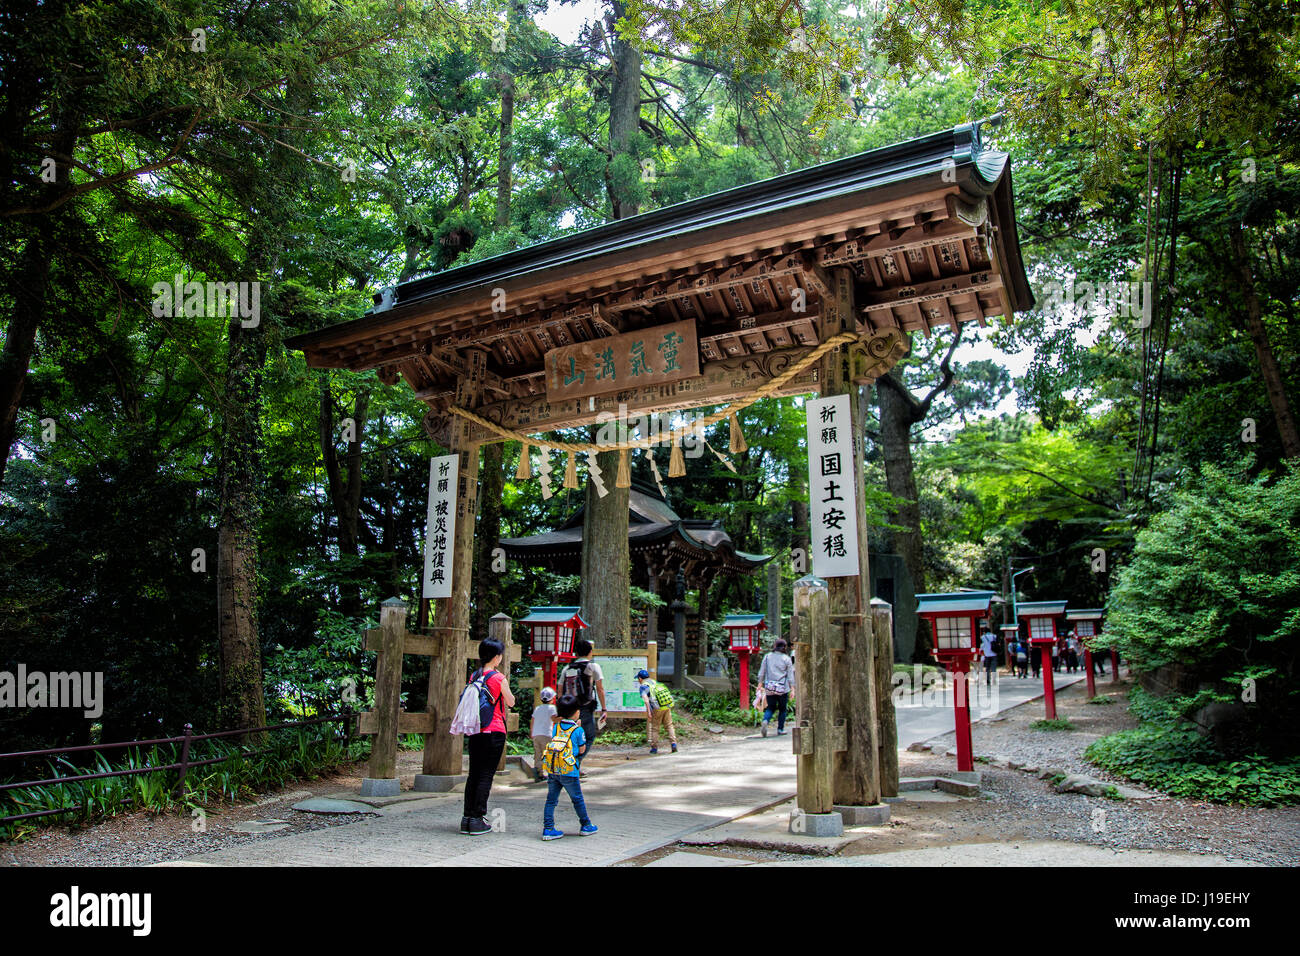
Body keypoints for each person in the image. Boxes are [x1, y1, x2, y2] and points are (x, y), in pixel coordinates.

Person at [461, 637, 515, 836]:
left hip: (476, 729)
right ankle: (477, 819)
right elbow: (510, 702)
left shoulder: (474, 676)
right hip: (494, 730)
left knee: (474, 774)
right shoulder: (498, 678)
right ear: (497, 657)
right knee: (485, 775)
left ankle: (467, 818)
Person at [541, 694, 597, 841]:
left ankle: (548, 828)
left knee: (551, 800)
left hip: (554, 769)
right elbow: (582, 750)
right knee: (577, 799)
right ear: (577, 712)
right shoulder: (578, 730)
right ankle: (586, 825)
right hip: (569, 770)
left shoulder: (556, 727)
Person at [559, 639, 606, 777]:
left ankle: (571, 764)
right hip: (585, 707)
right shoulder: (593, 667)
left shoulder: (567, 668)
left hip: (568, 708)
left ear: (576, 653)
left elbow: (560, 689)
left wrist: (561, 709)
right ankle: (573, 763)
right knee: (589, 736)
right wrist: (604, 708)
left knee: (570, 736)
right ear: (590, 652)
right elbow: (600, 689)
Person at [757, 638, 796, 737]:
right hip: (782, 688)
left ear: (775, 646)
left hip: (770, 687)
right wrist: (793, 688)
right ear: (784, 647)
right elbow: (790, 675)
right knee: (782, 709)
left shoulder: (767, 657)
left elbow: (762, 671)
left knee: (770, 707)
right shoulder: (786, 658)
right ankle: (780, 729)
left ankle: (765, 720)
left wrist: (760, 684)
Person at [635, 668, 678, 754]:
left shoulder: (643, 686)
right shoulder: (655, 682)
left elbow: (646, 700)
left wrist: (649, 712)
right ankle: (673, 744)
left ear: (640, 678)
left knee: (655, 728)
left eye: (638, 679)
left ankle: (654, 748)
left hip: (657, 708)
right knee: (669, 725)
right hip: (666, 706)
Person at [530, 686, 558, 783]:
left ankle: (538, 772)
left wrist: (531, 732)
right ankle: (551, 774)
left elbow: (532, 721)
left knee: (538, 754)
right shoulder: (552, 708)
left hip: (536, 735)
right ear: (552, 698)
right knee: (548, 754)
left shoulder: (537, 708)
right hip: (546, 734)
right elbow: (554, 719)